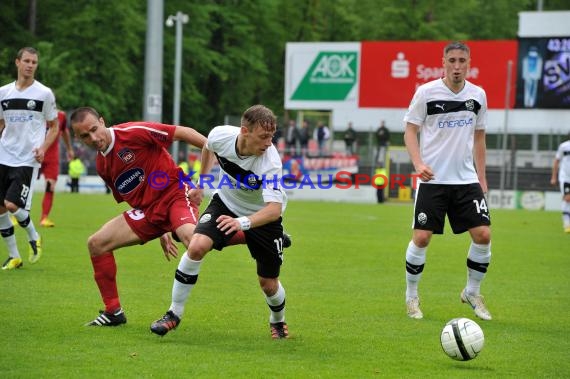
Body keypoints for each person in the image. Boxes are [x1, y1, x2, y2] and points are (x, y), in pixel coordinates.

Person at [70, 106, 239, 326]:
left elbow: (182, 132)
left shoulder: (132, 132)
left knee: (192, 240)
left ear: (102, 121)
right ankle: (113, 313)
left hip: (176, 193)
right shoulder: (103, 165)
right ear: (78, 138)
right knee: (96, 244)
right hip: (151, 212)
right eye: (85, 136)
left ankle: (254, 233)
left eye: (94, 129)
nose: (93, 138)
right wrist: (161, 229)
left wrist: (217, 151)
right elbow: (135, 198)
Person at [150, 104, 290, 339]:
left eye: (272, 136)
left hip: (262, 217)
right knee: (196, 246)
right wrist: (201, 183)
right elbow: (208, 147)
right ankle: (174, 313)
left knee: (268, 283)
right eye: (264, 136)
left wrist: (242, 223)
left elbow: (274, 210)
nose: (269, 143)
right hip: (225, 203)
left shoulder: (270, 162)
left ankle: (278, 321)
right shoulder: (220, 135)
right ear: (244, 131)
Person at [402, 41, 492, 321]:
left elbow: (479, 137)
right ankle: (411, 297)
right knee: (422, 237)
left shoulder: (478, 95)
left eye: (461, 61)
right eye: (451, 60)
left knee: (483, 235)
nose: (456, 66)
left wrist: (482, 177)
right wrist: (418, 164)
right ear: (443, 61)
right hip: (433, 181)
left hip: (466, 180)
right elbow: (410, 131)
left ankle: (472, 292)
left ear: (469, 62)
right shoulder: (426, 93)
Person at [0, 47, 58, 270]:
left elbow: (54, 127)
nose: (30, 65)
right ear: (17, 62)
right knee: (0, 208)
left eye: (34, 62)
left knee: (12, 203)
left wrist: (43, 147)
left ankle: (34, 235)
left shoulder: (43, 94)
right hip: (3, 154)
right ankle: (14, 256)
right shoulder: (3, 93)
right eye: (26, 61)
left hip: (27, 158)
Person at [39, 109, 75, 227]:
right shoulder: (34, 112)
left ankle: (44, 218)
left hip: (51, 157)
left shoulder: (61, 116)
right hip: (33, 154)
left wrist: (69, 148)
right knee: (22, 184)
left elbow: (64, 131)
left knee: (50, 186)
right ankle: (15, 216)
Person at [550, 133, 570, 233]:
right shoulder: (564, 146)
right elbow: (556, 161)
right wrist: (554, 177)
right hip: (565, 177)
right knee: (567, 198)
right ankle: (567, 224)